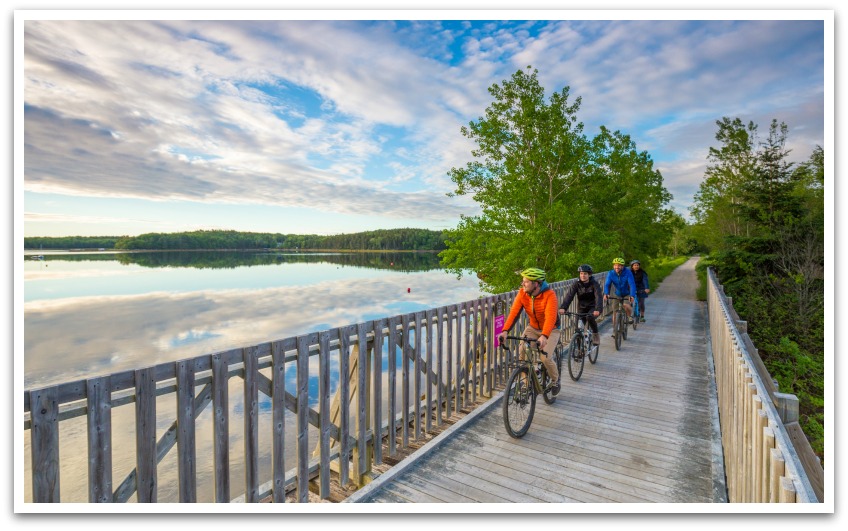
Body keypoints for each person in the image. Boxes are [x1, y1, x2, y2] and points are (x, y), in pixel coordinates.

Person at [497, 267, 561, 395]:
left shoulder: (550, 295)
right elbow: (514, 313)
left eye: (525, 281)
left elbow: (550, 318)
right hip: (532, 327)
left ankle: (555, 381)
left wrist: (544, 335)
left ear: (536, 284)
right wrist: (505, 331)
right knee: (522, 352)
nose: (522, 284)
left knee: (545, 358)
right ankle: (527, 385)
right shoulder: (522, 293)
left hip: (551, 330)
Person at [558, 264, 603, 345]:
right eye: (581, 273)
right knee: (578, 329)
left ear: (589, 274)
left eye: (585, 274)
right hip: (581, 308)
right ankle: (579, 351)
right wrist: (563, 307)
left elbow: (598, 296)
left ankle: (595, 334)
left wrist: (598, 309)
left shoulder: (594, 284)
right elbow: (569, 296)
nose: (583, 276)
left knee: (590, 317)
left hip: (593, 307)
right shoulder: (576, 284)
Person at [603, 257, 636, 336]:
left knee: (626, 305)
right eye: (615, 265)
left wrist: (632, 295)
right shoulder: (611, 273)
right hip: (617, 294)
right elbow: (607, 284)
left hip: (627, 293)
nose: (616, 267)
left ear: (623, 266)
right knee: (615, 313)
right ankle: (615, 331)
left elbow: (632, 284)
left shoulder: (627, 272)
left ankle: (629, 316)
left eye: (619, 265)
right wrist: (606, 293)